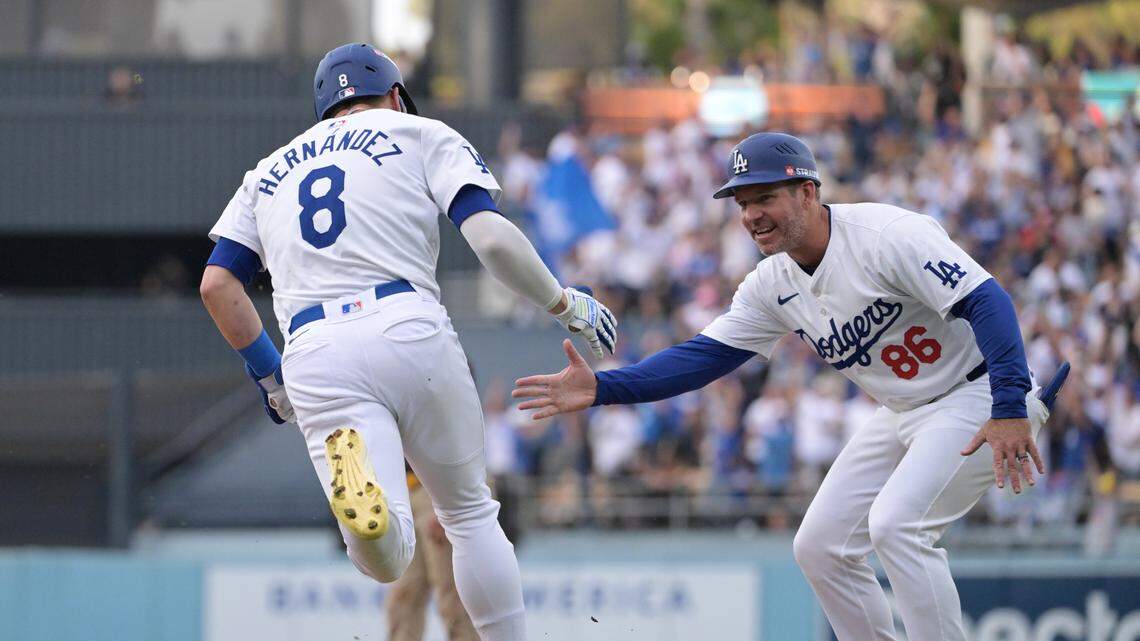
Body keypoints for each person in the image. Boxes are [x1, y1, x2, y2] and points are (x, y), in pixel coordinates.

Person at [512, 131, 1069, 641]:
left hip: (975, 392)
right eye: (743, 203)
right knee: (820, 546)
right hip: (904, 409)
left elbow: (986, 299)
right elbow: (702, 358)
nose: (752, 215)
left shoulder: (884, 235)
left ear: (807, 192)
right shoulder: (772, 282)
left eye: (764, 197)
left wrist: (1008, 405)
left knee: (897, 526)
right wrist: (606, 389)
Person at [199, 43, 617, 641]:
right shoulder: (419, 132)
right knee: (471, 514)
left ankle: (369, 514)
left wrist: (271, 378)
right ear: (395, 96)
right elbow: (493, 242)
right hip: (406, 323)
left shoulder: (267, 171)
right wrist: (564, 303)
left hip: (314, 347)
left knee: (385, 560)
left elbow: (218, 284)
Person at [386, 468, 478, 641]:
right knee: (403, 597)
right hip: (403, 490)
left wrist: (448, 503)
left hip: (439, 486)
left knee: (453, 597)